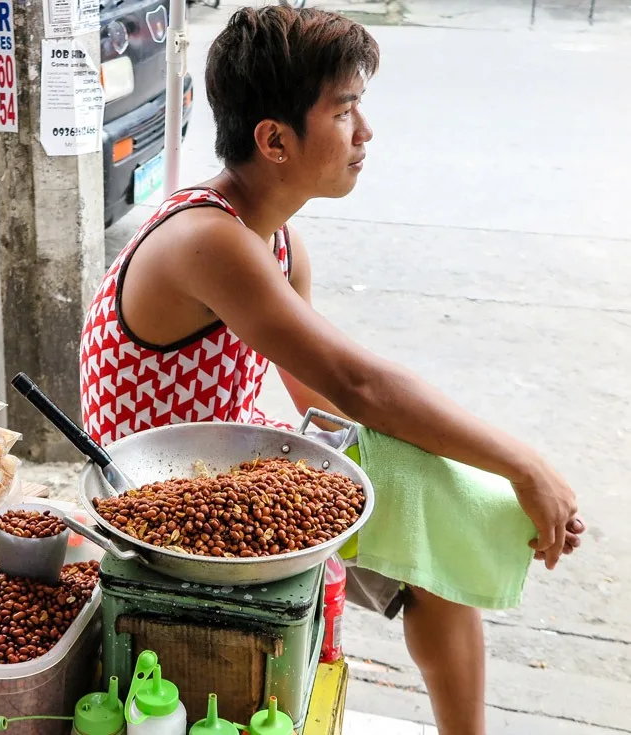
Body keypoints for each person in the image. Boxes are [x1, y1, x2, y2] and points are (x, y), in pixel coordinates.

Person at [77, 6, 585, 734]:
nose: (366, 132)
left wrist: (459, 488)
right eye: (345, 110)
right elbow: (358, 386)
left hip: (229, 471)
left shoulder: (278, 241)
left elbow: (331, 407)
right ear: (275, 139)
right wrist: (523, 463)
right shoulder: (207, 240)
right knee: (457, 489)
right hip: (156, 500)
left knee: (441, 537)